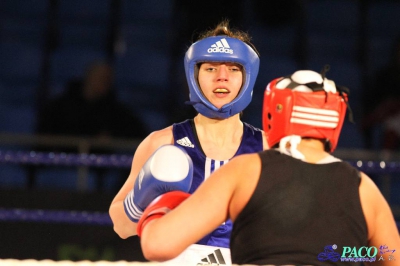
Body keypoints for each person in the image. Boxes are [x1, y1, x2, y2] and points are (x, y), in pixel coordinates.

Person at [136, 68, 400, 265]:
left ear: (277, 112)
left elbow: (158, 245)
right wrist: (340, 252)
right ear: (335, 119)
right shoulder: (365, 189)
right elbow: (389, 255)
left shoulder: (246, 172)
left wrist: (156, 207)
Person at [109, 20, 268, 264]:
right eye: (211, 69)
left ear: (248, 77)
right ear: (194, 75)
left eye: (234, 69)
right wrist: (141, 199)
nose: (222, 77)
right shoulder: (162, 143)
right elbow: (121, 227)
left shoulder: (269, 149)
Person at [361, 34, 400, 150]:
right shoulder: (385, 76)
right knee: (392, 123)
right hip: (385, 119)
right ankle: (385, 162)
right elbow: (374, 104)